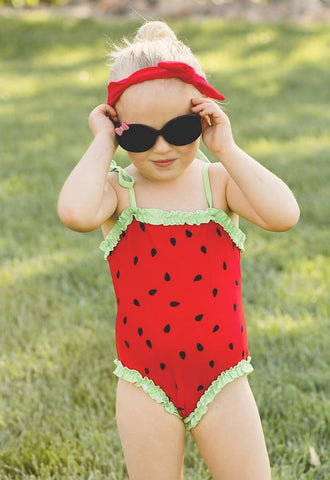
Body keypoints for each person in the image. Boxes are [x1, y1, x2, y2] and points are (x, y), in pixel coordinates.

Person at [58, 21, 299, 480]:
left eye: (181, 128)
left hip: (223, 377)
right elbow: (74, 211)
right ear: (117, 129)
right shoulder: (118, 191)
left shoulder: (218, 184)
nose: (163, 146)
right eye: (138, 136)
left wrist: (225, 148)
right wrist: (101, 144)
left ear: (203, 118)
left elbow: (284, 214)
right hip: (144, 381)